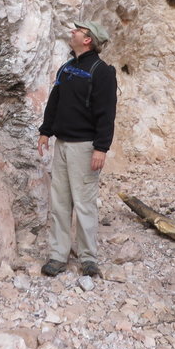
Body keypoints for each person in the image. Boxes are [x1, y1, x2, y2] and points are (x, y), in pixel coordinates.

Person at [37, 20, 117, 278]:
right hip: (62, 144)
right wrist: (45, 131)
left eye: (78, 30)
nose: (73, 32)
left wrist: (101, 148)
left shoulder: (102, 71)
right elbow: (54, 101)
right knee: (59, 202)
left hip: (85, 147)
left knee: (84, 203)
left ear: (88, 39)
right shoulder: (68, 68)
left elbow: (107, 113)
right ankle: (58, 255)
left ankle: (88, 258)